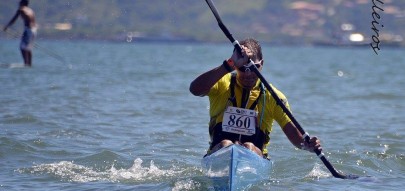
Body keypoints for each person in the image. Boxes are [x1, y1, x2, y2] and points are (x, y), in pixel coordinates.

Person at [189, 38, 322, 158]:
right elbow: (195, 90)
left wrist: (308, 145)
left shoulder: (273, 96)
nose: (248, 74)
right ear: (235, 66)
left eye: (254, 67)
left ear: (262, 64)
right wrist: (228, 65)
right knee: (226, 145)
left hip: (255, 155)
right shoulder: (222, 83)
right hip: (220, 150)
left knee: (248, 147)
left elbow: (294, 136)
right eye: (242, 68)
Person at [3, 0, 37, 67]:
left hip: (28, 30)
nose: (19, 4)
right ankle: (29, 64)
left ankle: (26, 64)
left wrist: (7, 26)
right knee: (28, 48)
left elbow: (14, 19)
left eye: (20, 2)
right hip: (34, 30)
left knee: (22, 47)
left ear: (22, 3)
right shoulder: (30, 10)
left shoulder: (21, 9)